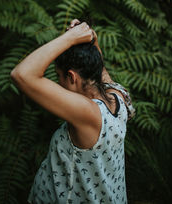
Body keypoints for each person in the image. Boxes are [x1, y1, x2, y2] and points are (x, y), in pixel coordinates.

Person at [11, 19, 135, 204]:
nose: (58, 83)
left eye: (59, 76)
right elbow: (98, 66)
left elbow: (21, 74)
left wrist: (68, 38)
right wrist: (88, 37)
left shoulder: (87, 113)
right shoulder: (117, 96)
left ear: (71, 76)